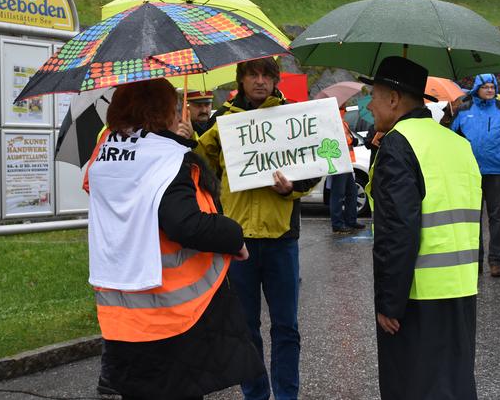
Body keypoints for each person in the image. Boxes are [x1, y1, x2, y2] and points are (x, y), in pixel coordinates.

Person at [86, 78, 263, 400]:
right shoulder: (167, 158)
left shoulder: (104, 153)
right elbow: (186, 225)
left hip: (119, 312)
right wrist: (233, 236)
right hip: (172, 313)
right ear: (162, 111)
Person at [197, 58, 319, 400]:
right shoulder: (221, 119)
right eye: (253, 74)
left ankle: (286, 396)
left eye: (267, 75)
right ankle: (256, 394)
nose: (261, 81)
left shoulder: (291, 114)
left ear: (276, 79)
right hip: (238, 241)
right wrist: (186, 139)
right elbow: (198, 166)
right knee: (246, 328)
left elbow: (315, 166)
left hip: (282, 239)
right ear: (241, 79)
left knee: (286, 327)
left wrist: (291, 188)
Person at [363, 56, 480, 400]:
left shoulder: (400, 144)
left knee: (412, 388)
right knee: (454, 386)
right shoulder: (457, 144)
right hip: (460, 289)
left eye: (374, 95)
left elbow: (398, 229)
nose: (369, 104)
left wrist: (389, 302)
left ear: (395, 99)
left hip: (417, 296)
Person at [451, 73, 500, 277]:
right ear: (477, 89)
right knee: (473, 219)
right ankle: (476, 262)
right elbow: (451, 140)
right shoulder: (463, 110)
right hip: (469, 173)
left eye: (493, 86)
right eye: (486, 87)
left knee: (497, 218)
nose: (491, 90)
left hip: (497, 172)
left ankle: (495, 262)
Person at [329, 106, 364, 233]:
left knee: (352, 192)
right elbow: (339, 140)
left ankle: (350, 220)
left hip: (346, 163)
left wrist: (353, 140)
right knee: (338, 194)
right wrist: (352, 140)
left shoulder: (342, 120)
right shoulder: (335, 120)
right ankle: (337, 224)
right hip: (339, 163)